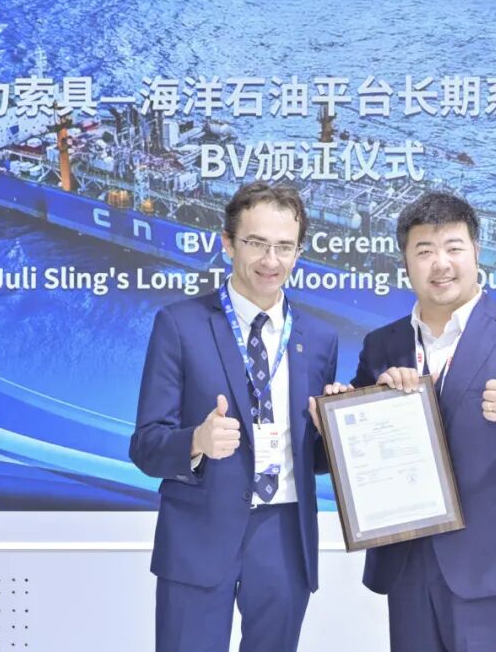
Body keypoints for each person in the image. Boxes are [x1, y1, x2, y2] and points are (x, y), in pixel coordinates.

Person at [350, 191, 496, 652]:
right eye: (424, 251)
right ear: (405, 262)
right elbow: (354, 440)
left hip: (492, 560)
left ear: (477, 252)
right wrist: (341, 410)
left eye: (454, 248)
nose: (441, 264)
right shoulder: (382, 344)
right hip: (408, 559)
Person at [129, 181, 343, 652]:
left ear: (299, 252)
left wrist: (333, 434)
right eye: (256, 243)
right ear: (228, 243)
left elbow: (313, 459)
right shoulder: (179, 325)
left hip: (284, 537)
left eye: (284, 247)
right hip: (199, 535)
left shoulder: (319, 339)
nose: (271, 260)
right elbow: (145, 446)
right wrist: (196, 441)